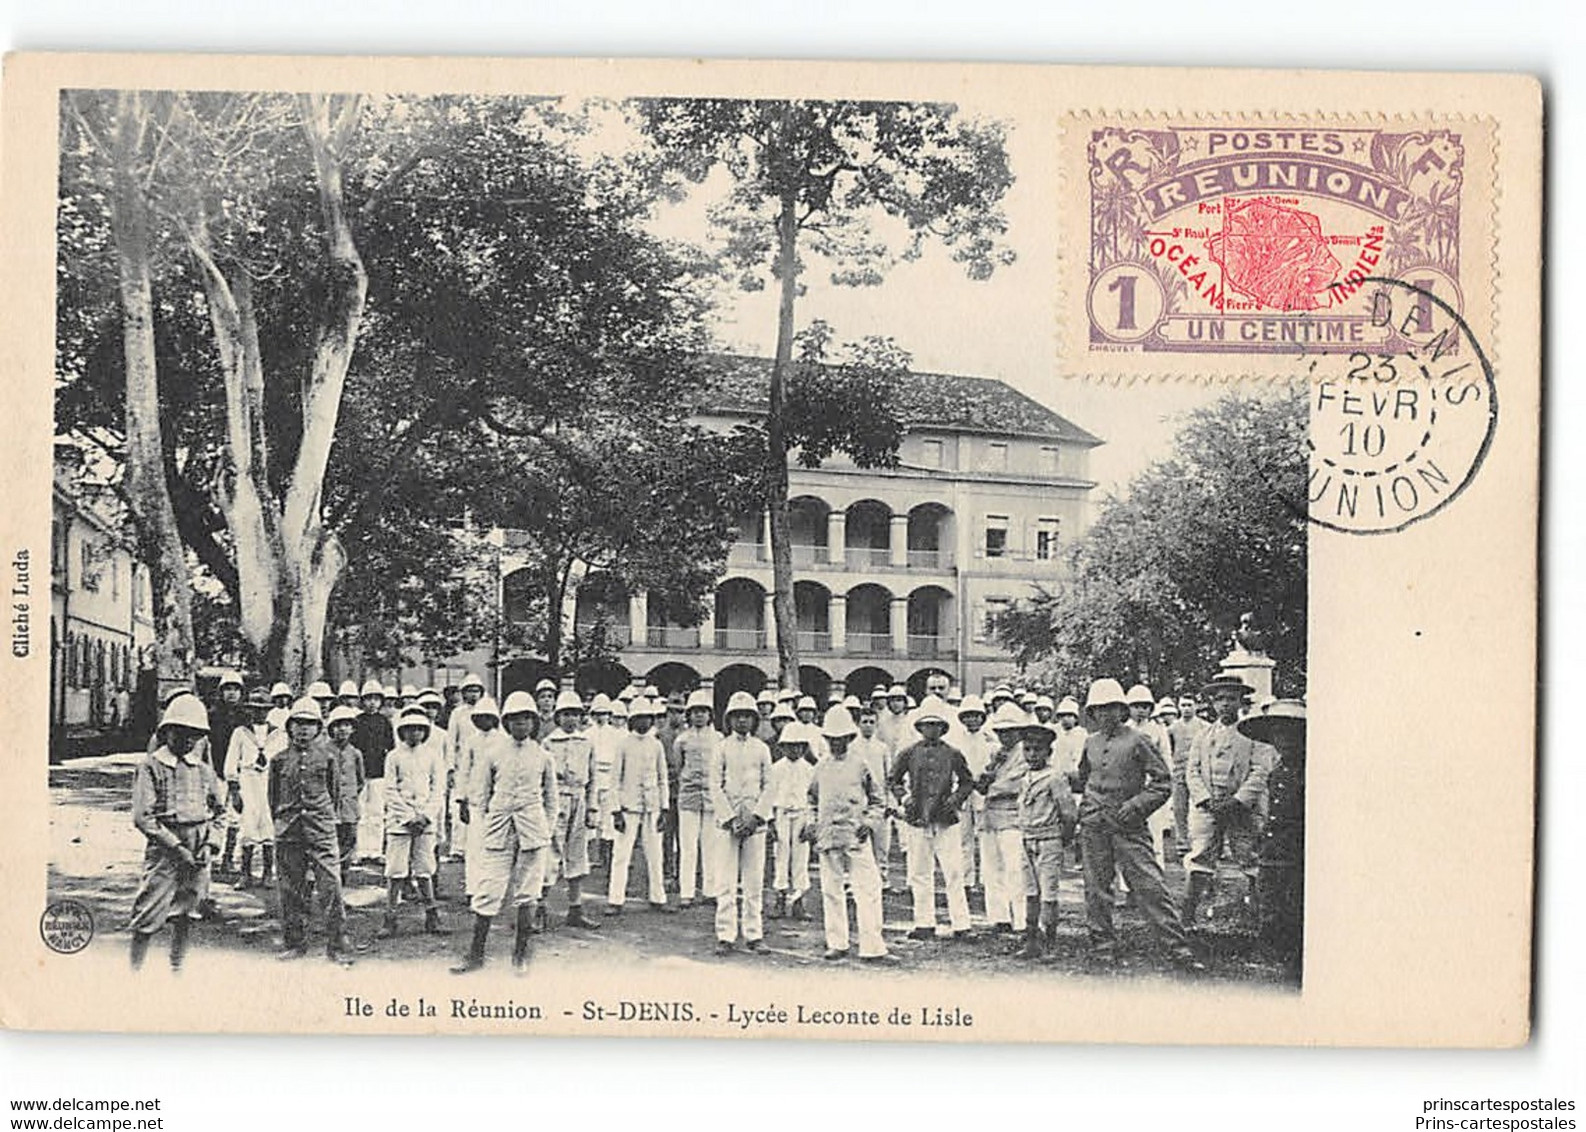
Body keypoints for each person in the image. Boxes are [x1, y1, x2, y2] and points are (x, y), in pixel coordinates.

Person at [1073, 679, 1201, 970]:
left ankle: (1177, 948)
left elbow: (1162, 782)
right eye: (1099, 709)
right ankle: (1102, 946)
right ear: (1091, 713)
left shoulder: (1138, 739)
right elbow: (1084, 778)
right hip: (1094, 824)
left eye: (1112, 708)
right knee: (1096, 888)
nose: (1106, 714)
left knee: (1149, 886)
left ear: (1122, 710)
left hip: (1128, 825)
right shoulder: (1090, 742)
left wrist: (1135, 806)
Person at [452, 692, 558, 973]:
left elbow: (551, 800)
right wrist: (491, 821)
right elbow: (481, 793)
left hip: (532, 831)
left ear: (534, 722)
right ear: (506, 722)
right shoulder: (493, 754)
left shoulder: (544, 756)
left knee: (527, 892)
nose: (520, 725)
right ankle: (475, 955)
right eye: (514, 720)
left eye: (526, 719)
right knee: (488, 890)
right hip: (499, 829)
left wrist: (544, 828)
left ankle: (520, 956)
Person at [128, 694, 225, 970]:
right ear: (166, 731)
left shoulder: (203, 771)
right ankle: (133, 973)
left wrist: (210, 845)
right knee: (148, 912)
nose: (187, 740)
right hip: (165, 848)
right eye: (180, 732)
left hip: (198, 847)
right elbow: (142, 817)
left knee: (187, 911)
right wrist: (176, 847)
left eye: (194, 734)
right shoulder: (150, 767)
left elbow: (221, 812)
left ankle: (177, 969)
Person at [269, 697, 357, 965]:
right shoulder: (279, 760)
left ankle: (338, 945)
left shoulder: (328, 758)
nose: (303, 729)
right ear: (290, 727)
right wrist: (284, 821)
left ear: (319, 728)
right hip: (290, 831)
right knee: (291, 890)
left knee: (331, 887)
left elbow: (334, 793)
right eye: (298, 724)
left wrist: (324, 820)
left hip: (321, 830)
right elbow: (273, 798)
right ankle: (295, 943)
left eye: (310, 724)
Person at [1182, 675, 1273, 929]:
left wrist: (1237, 801)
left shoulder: (1255, 734)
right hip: (1209, 807)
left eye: (1230, 699)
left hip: (1241, 809)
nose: (1224, 705)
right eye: (1219, 699)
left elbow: (1260, 772)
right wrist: (1205, 799)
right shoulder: (1202, 735)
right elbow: (1192, 771)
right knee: (1200, 857)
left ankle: (1259, 918)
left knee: (1250, 858)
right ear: (1212, 703)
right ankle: (1187, 918)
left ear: (1240, 701)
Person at [805, 705, 890, 963]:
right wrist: (812, 823)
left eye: (842, 738)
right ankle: (837, 942)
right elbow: (811, 799)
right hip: (829, 836)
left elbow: (878, 799)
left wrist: (870, 821)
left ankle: (872, 945)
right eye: (832, 739)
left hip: (856, 836)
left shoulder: (860, 764)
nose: (837, 743)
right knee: (831, 891)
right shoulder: (821, 767)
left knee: (868, 889)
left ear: (850, 738)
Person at [887, 695, 976, 941]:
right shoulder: (908, 753)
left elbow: (967, 781)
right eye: (927, 725)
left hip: (945, 818)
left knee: (954, 871)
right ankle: (924, 923)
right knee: (919, 872)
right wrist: (905, 799)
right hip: (917, 818)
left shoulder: (953, 753)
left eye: (936, 725)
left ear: (943, 728)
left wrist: (955, 800)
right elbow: (893, 780)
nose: (932, 729)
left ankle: (961, 924)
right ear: (920, 727)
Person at [1237, 699, 1306, 980]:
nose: (1283, 740)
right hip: (1275, 845)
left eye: (1290, 733)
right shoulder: (1277, 771)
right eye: (1277, 734)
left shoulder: (1311, 770)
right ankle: (1274, 948)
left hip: (1297, 848)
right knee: (1271, 896)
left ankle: (1294, 954)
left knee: (1295, 900)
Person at [710, 692, 774, 954]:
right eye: (737, 716)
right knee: (725, 881)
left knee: (754, 880)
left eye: (747, 716)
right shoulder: (721, 747)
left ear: (755, 720)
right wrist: (731, 818)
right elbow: (714, 785)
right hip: (728, 825)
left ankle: (753, 933)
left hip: (755, 825)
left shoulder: (761, 748)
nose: (742, 721)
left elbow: (770, 785)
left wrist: (757, 816)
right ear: (729, 719)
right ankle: (725, 934)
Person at [376, 706, 445, 939]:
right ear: (401, 732)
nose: (414, 734)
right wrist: (407, 817)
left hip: (425, 823)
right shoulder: (393, 756)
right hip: (399, 822)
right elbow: (389, 789)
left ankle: (431, 914)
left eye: (419, 729)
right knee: (396, 870)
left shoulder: (433, 755)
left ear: (425, 732)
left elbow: (438, 789)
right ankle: (390, 916)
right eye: (409, 729)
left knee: (425, 869)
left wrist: (425, 815)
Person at [1016, 720, 1078, 959]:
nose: (1032, 754)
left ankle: (1049, 944)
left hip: (1048, 839)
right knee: (1031, 892)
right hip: (1027, 839)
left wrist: (1063, 839)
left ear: (1048, 752)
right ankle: (1031, 942)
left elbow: (1069, 813)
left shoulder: (1054, 777)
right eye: (1027, 749)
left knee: (1049, 893)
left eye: (1037, 749)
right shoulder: (1025, 777)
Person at [541, 690, 601, 929]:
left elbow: (593, 777)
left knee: (577, 855)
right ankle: (539, 908)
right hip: (557, 800)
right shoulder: (548, 743)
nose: (570, 719)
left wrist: (592, 808)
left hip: (579, 798)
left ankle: (575, 909)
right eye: (566, 714)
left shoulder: (586, 743)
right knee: (550, 855)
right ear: (558, 717)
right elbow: (543, 779)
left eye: (575, 714)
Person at [607, 697, 672, 915]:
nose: (643, 722)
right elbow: (614, 780)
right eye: (638, 718)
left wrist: (664, 808)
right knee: (622, 854)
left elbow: (663, 778)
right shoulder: (623, 744)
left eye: (647, 717)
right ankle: (615, 900)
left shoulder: (656, 745)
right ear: (631, 720)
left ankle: (658, 897)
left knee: (655, 854)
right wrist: (616, 811)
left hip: (652, 806)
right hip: (629, 807)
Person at [977, 702, 1030, 937]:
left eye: (1010, 731)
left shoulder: (1026, 753)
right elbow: (980, 783)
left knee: (1015, 868)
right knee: (991, 868)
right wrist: (990, 771)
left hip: (1012, 816)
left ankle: (1021, 918)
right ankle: (999, 916)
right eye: (1001, 732)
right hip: (990, 816)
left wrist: (993, 787)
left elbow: (1017, 783)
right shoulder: (995, 753)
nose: (1005, 736)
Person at [224, 688, 276, 889]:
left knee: (268, 825)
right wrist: (235, 790)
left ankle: (267, 873)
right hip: (248, 780)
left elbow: (280, 762)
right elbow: (231, 762)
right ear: (249, 710)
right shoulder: (240, 732)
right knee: (248, 825)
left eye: (263, 709)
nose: (259, 713)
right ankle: (245, 873)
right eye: (255, 709)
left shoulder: (278, 733)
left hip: (269, 782)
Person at [674, 689, 720, 908]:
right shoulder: (682, 740)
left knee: (710, 846)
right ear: (689, 714)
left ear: (710, 714)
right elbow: (678, 767)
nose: (699, 715)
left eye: (703, 711)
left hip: (711, 797)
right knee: (688, 845)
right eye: (695, 712)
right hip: (688, 796)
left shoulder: (719, 738)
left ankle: (710, 890)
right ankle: (687, 892)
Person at [455, 695, 501, 900]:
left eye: (487, 717)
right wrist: (462, 800)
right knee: (474, 846)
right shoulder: (472, 741)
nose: (483, 721)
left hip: (498, 800)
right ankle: (472, 888)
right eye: (478, 718)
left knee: (495, 847)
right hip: (475, 799)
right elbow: (464, 770)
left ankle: (491, 888)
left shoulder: (502, 740)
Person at [768, 721, 817, 920]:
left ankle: (798, 901)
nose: (794, 749)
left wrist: (811, 822)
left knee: (800, 857)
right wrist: (770, 821)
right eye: (790, 745)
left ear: (804, 747)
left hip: (802, 815)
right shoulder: (776, 768)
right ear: (782, 747)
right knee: (781, 855)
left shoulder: (810, 769)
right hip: (781, 813)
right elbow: (768, 796)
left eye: (799, 745)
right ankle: (780, 899)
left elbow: (813, 798)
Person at [1126, 684, 1176, 867]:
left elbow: (1166, 759)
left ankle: (1156, 873)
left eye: (1145, 706)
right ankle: (1128, 881)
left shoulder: (1158, 729)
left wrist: (1165, 791)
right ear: (1128, 708)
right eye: (1136, 706)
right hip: (1129, 789)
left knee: (1154, 833)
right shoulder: (1125, 729)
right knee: (1130, 834)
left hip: (1152, 788)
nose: (1140, 710)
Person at [206, 670, 248, 878]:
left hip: (239, 772)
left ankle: (228, 857)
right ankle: (211, 855)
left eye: (235, 689)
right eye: (228, 689)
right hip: (216, 770)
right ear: (221, 692)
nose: (232, 693)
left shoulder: (246, 718)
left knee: (236, 816)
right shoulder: (212, 716)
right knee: (216, 812)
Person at [956, 694, 995, 903]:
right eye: (968, 716)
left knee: (985, 837)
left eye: (976, 716)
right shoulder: (957, 740)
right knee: (964, 838)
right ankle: (966, 880)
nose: (972, 720)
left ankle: (987, 880)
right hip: (964, 793)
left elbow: (993, 768)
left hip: (982, 792)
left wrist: (984, 783)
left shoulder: (990, 741)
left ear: (982, 717)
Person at [848, 703, 893, 879]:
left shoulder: (882, 748)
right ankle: (855, 879)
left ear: (876, 724)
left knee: (881, 843)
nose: (868, 725)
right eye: (864, 721)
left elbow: (889, 776)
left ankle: (882, 876)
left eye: (871, 722)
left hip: (879, 801)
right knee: (857, 840)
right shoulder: (852, 747)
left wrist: (890, 802)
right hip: (858, 801)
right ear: (858, 724)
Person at [353, 681, 395, 864]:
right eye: (368, 699)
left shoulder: (384, 721)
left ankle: (375, 850)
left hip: (379, 772)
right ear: (363, 701)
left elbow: (390, 747)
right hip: (361, 772)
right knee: (361, 812)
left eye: (376, 699)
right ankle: (360, 850)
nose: (372, 703)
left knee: (377, 812)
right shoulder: (357, 721)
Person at [325, 704, 365, 884]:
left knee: (347, 843)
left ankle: (343, 880)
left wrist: (349, 797)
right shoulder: (323, 751)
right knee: (327, 844)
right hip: (327, 807)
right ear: (331, 728)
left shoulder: (355, 753)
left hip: (349, 807)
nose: (342, 729)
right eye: (338, 725)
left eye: (347, 725)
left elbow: (360, 781)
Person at [1170, 695, 1207, 861]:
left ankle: (1205, 843)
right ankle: (1182, 843)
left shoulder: (1204, 727)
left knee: (1204, 808)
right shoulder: (1172, 728)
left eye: (1189, 705)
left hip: (1200, 773)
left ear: (1196, 706)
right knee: (1179, 809)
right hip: (1179, 772)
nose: (1186, 708)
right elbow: (1168, 749)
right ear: (1178, 707)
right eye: (1183, 705)